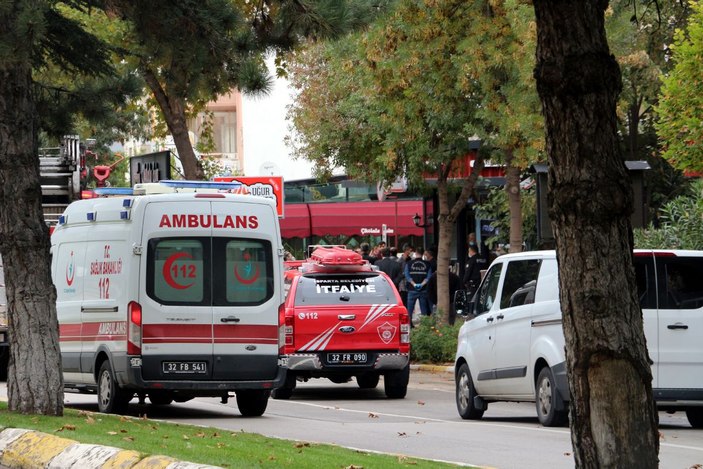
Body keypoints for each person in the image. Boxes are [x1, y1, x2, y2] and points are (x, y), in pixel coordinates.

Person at [405, 250, 433, 323]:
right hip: (423, 290)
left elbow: (407, 275)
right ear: (423, 254)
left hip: (412, 289)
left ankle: (409, 324)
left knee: (410, 309)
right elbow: (429, 276)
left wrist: (414, 284)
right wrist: (422, 284)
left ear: (416, 253)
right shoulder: (427, 264)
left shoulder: (409, 263)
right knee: (423, 309)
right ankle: (424, 325)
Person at [397, 244, 414, 308]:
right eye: (410, 250)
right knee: (404, 300)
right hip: (402, 284)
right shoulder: (399, 261)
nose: (411, 252)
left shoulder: (411, 260)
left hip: (409, 283)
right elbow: (399, 273)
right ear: (406, 251)